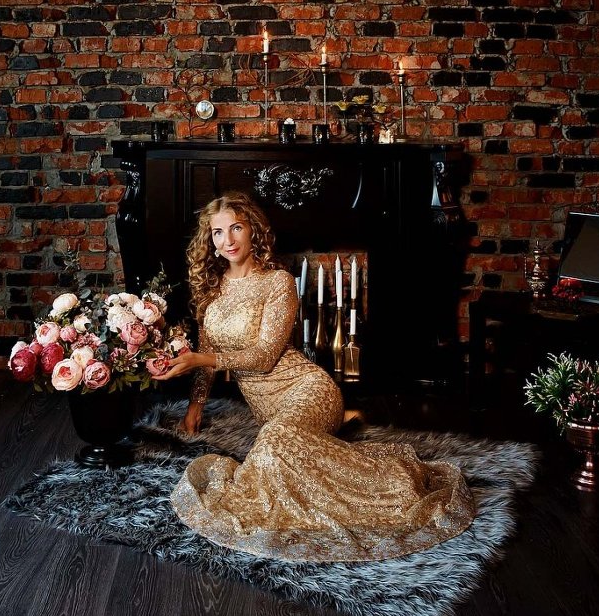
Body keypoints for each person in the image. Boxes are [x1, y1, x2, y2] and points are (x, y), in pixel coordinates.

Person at [159, 191, 476, 562]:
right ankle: (321, 439)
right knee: (276, 449)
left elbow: (263, 358)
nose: (227, 240)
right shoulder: (213, 288)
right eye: (217, 232)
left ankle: (396, 480)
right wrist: (196, 405)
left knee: (273, 440)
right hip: (269, 409)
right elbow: (205, 348)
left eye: (236, 228)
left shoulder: (277, 282)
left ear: (253, 231)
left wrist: (201, 359)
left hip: (309, 389)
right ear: (210, 240)